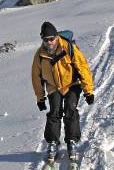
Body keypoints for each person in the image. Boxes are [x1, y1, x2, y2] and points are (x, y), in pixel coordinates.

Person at [31, 21, 95, 162]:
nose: (49, 42)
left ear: (56, 37)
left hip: (72, 84)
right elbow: (36, 77)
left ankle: (71, 141)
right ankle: (53, 143)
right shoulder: (40, 55)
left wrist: (88, 91)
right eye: (45, 40)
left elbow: (83, 67)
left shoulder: (68, 47)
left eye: (51, 39)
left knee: (70, 110)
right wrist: (40, 98)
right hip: (54, 86)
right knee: (54, 112)